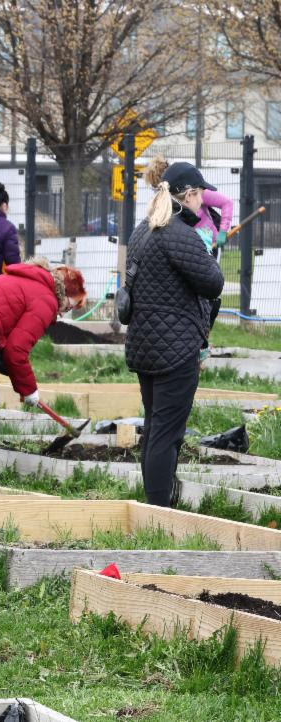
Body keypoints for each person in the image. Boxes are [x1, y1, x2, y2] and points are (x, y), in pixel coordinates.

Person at [125, 162, 224, 507]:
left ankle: (156, 498)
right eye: (201, 195)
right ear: (191, 195)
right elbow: (213, 282)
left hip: (144, 344)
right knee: (167, 433)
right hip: (177, 347)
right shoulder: (181, 234)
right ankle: (158, 510)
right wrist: (210, 251)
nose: (204, 203)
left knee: (154, 426)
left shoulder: (143, 229)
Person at [0, 259, 87, 483]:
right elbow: (17, 350)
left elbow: (4, 348)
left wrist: (21, 382)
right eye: (70, 307)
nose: (63, 314)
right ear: (65, 293)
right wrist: (30, 389)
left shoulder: (29, 282)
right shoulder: (46, 300)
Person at [146, 156, 234, 255]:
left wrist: (223, 231)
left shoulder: (197, 192)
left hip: (209, 243)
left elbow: (227, 202)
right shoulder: (164, 200)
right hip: (187, 245)